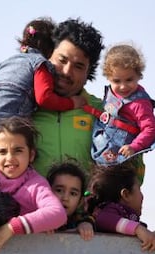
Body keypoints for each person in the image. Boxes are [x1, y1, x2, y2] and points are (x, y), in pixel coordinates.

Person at [0, 17, 87, 161]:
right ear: (50, 49)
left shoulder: (6, 62)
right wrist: (72, 103)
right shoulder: (39, 64)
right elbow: (44, 98)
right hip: (2, 139)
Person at [0, 116, 67, 251]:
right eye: (2, 152)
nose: (10, 158)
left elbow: (58, 214)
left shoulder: (35, 184)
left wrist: (12, 227)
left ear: (31, 155)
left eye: (18, 150)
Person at [31, 18, 112, 178]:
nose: (67, 71)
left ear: (89, 72)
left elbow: (129, 169)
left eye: (78, 66)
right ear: (47, 56)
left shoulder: (104, 113)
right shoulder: (22, 104)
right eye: (62, 60)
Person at [90, 43, 155, 165]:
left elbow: (150, 128)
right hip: (100, 149)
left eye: (129, 80)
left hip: (122, 157)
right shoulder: (110, 94)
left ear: (139, 75)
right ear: (108, 77)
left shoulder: (140, 103)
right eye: (116, 81)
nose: (123, 86)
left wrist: (134, 146)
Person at [86, 163, 155, 252]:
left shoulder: (130, 219)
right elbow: (103, 220)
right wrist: (137, 229)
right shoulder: (111, 210)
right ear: (126, 195)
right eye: (139, 189)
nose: (142, 196)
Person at [46, 158, 95, 241]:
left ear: (80, 201)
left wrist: (86, 225)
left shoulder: (79, 220)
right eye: (59, 190)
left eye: (73, 193)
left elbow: (90, 220)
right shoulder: (36, 216)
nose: (65, 198)